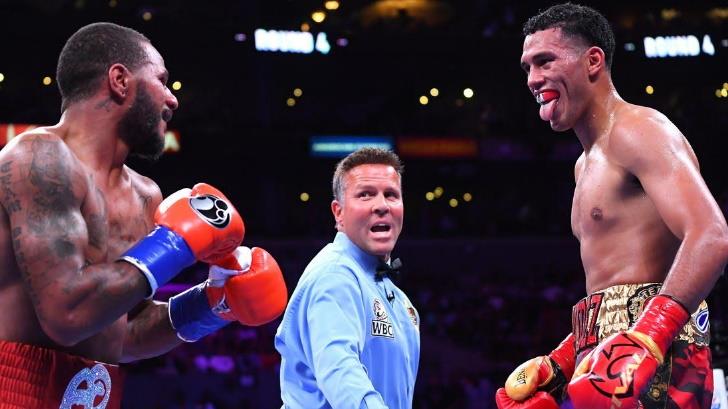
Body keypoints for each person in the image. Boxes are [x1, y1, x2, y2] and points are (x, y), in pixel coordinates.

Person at [0, 22, 287, 408]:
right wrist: (176, 243)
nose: (173, 100)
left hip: (97, 394)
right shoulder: (38, 158)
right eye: (162, 81)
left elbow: (126, 335)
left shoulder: (145, 195)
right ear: (120, 80)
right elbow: (67, 314)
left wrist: (215, 303)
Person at [496, 3, 728, 409]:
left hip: (664, 359)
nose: (534, 79)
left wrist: (649, 337)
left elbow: (711, 236)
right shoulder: (583, 166)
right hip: (615, 362)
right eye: (527, 67)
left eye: (545, 61)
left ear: (593, 61)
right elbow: (616, 293)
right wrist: (561, 364)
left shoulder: (640, 130)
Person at [275, 147, 420, 408]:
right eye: (365, 195)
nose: (381, 206)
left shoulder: (401, 302)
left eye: (391, 195)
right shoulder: (335, 276)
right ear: (338, 213)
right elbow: (341, 374)